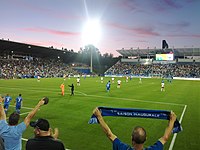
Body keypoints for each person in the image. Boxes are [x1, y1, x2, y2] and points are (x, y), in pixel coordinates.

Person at [93, 108, 177, 150]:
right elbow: (165, 138)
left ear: (132, 139)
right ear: (146, 139)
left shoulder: (122, 148)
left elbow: (109, 134)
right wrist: (172, 121)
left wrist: (99, 117)